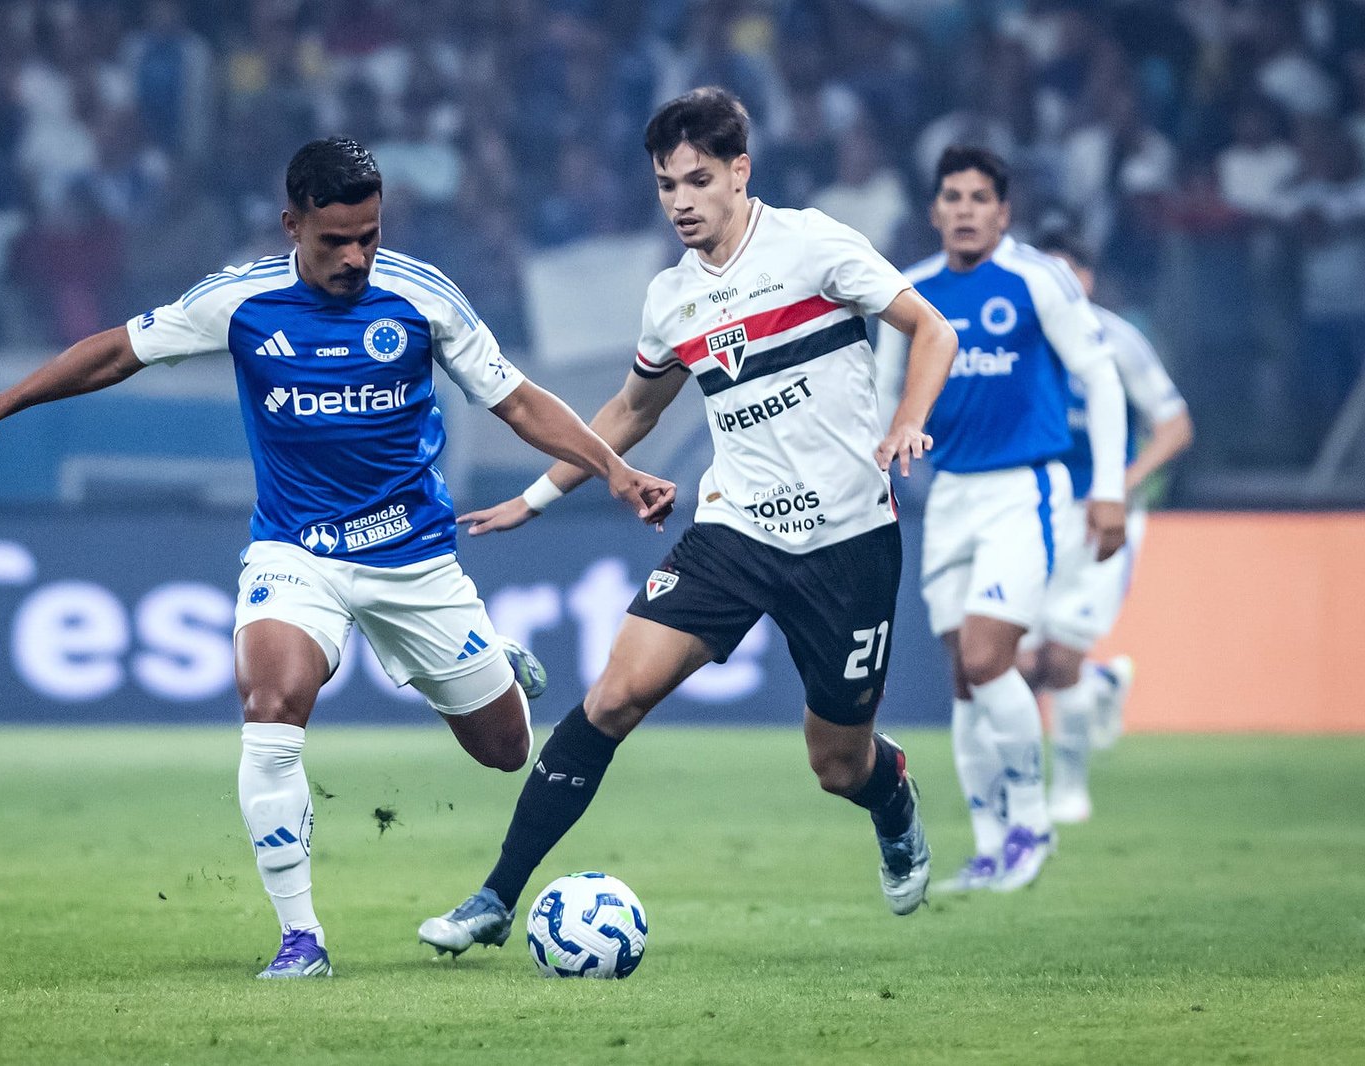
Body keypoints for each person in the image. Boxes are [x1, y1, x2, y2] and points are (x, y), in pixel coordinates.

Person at [0, 137, 676, 979]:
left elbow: (518, 401)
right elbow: (115, 352)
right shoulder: (241, 300)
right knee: (272, 706)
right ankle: (300, 939)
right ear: (292, 224)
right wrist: (1, 403)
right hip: (297, 552)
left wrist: (612, 470)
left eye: (371, 237)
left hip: (413, 558)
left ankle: (490, 665)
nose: (356, 257)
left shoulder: (422, 298)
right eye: (335, 241)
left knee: (504, 750)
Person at [416, 86, 959, 959]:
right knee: (612, 698)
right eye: (666, 184)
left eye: (698, 181)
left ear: (740, 173)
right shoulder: (671, 299)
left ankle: (890, 791)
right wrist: (538, 496)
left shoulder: (813, 246)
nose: (680, 201)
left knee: (837, 765)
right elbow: (632, 410)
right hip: (734, 531)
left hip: (848, 543)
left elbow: (931, 330)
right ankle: (494, 898)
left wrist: (906, 420)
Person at [880, 147, 1129, 893]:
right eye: (951, 196)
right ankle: (989, 846)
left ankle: (1032, 824)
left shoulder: (1036, 279)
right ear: (934, 211)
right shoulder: (912, 294)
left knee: (989, 657)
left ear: (1003, 212)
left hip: (1027, 490)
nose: (963, 209)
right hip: (949, 494)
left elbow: (1099, 376)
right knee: (964, 676)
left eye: (979, 197)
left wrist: (1109, 488)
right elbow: (884, 397)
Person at [1019, 234, 1193, 824]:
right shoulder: (1015, 342)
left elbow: (1174, 424)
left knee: (1059, 659)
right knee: (1021, 666)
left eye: (1069, 275)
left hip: (1101, 514)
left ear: (1088, 281)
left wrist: (1121, 482)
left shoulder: (1118, 341)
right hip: (1027, 512)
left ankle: (1069, 789)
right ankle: (1102, 684)